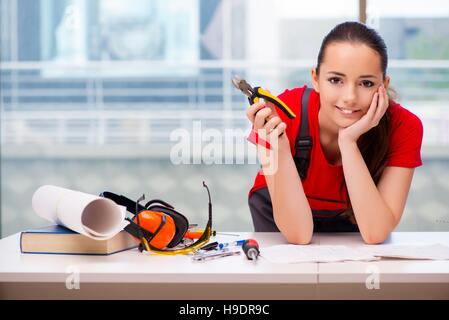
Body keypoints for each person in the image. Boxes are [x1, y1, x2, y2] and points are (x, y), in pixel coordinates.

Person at [246, 21, 423, 245]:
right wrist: (278, 146)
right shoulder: (280, 114)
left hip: (358, 220)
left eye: (366, 83)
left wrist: (348, 142)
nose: (350, 97)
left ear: (383, 85)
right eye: (335, 80)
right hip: (282, 221)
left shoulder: (404, 126)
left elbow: (376, 233)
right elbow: (299, 236)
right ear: (316, 79)